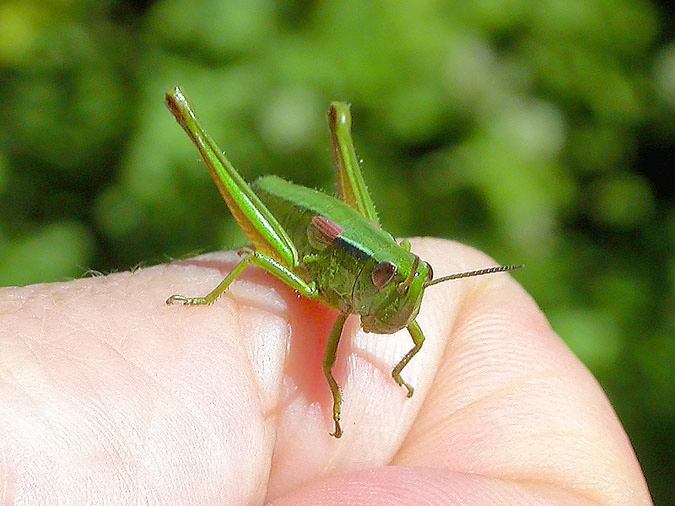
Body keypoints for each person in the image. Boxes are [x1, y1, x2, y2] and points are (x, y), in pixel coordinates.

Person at [0, 239, 652, 504]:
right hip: (305, 249)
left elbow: (414, 340)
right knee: (262, 258)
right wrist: (334, 393)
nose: (406, 314)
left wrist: (398, 363)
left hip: (358, 256)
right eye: (396, 290)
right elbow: (324, 349)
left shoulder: (416, 314)